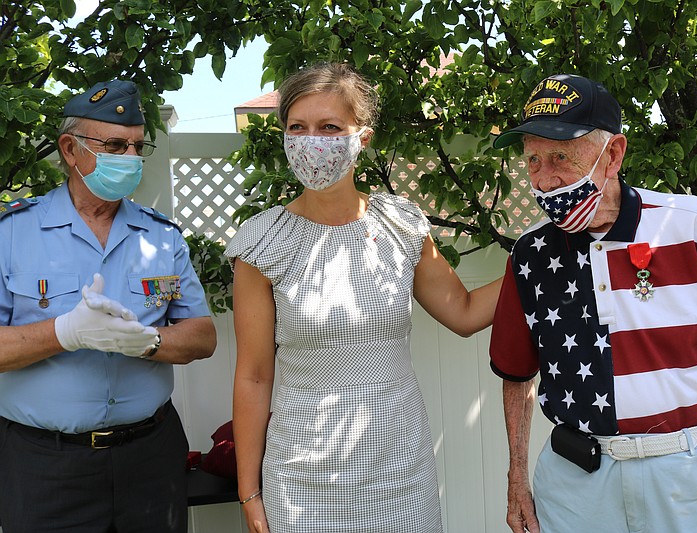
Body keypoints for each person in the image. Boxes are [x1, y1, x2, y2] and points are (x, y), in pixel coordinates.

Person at [489, 74, 697, 533]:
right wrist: (516, 481)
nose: (544, 179)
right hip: (575, 486)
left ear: (613, 154)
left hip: (693, 480)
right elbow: (517, 377)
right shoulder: (529, 254)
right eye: (532, 159)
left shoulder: (690, 225)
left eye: (560, 157)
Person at [225, 62, 502, 533]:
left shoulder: (400, 225)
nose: (313, 140)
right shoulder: (262, 241)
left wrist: (537, 257)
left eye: (330, 127)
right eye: (298, 127)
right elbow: (253, 376)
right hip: (302, 472)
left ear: (362, 139)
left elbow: (464, 312)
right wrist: (248, 490)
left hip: (399, 462)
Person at [0, 80, 217, 533]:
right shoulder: (12, 233)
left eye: (138, 146)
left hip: (150, 457)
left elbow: (202, 334)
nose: (130, 157)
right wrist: (64, 333)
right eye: (115, 144)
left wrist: (148, 341)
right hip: (46, 465)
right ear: (70, 149)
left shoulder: (161, 236)